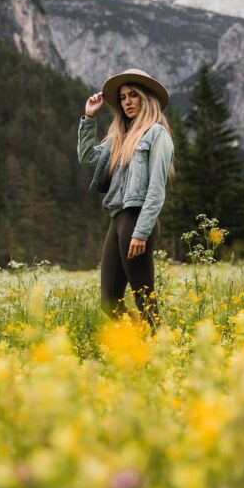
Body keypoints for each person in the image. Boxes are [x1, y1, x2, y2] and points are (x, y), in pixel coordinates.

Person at [78, 68, 175, 331]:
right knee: (109, 302)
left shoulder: (158, 135)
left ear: (147, 99)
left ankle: (160, 351)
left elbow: (156, 190)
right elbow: (86, 156)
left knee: (145, 301)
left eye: (134, 95)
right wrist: (89, 117)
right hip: (117, 221)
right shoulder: (118, 138)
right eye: (122, 98)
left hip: (137, 221)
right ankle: (141, 343)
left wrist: (141, 232)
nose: (127, 101)